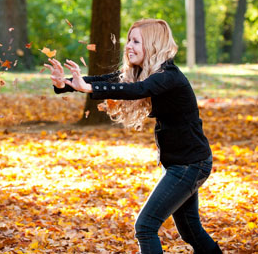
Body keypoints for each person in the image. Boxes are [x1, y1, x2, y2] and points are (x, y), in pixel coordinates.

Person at [45, 18, 222, 254]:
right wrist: (65, 84)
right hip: (184, 162)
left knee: (146, 226)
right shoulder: (149, 73)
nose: (129, 45)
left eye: (136, 41)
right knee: (190, 230)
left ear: (153, 44)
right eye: (129, 40)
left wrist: (88, 89)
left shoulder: (168, 76)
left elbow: (136, 90)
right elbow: (110, 81)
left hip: (190, 165)